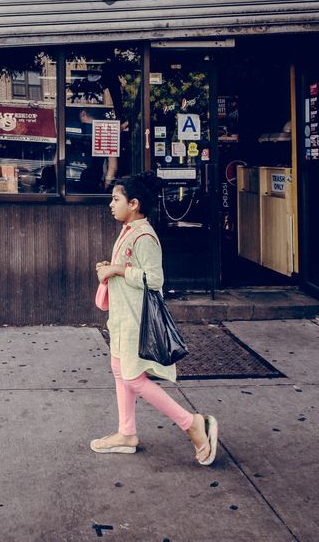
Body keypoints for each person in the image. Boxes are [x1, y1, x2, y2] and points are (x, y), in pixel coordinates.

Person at [92, 172, 219, 465]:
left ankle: (192, 423)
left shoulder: (144, 236)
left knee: (134, 378)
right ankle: (126, 433)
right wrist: (112, 268)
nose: (111, 204)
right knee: (118, 368)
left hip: (137, 320)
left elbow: (155, 279)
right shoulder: (129, 230)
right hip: (123, 318)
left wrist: (117, 270)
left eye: (116, 199)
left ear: (134, 204)